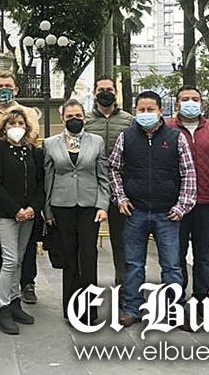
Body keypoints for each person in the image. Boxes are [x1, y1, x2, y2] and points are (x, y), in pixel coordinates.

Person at [108, 90, 196, 327]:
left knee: (172, 267)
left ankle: (175, 311)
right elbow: (113, 168)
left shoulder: (176, 137)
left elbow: (188, 172)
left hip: (167, 213)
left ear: (161, 111)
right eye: (141, 110)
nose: (145, 113)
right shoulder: (126, 137)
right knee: (134, 265)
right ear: (135, 112)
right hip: (135, 211)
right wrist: (120, 198)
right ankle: (132, 309)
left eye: (150, 109)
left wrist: (182, 206)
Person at [0, 71, 40, 305]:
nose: (4, 89)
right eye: (0, 85)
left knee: (23, 251)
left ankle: (25, 285)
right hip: (1, 198)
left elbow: (32, 137)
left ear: (16, 89)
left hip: (26, 200)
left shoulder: (28, 112)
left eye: (8, 86)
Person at [44, 100, 110, 324]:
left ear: (85, 117)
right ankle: (71, 309)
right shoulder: (50, 143)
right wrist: (48, 211)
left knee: (89, 256)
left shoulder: (96, 142)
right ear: (63, 118)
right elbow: (48, 178)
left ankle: (90, 310)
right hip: (62, 206)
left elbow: (103, 176)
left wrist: (103, 205)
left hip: (90, 206)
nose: (74, 119)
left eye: (78, 115)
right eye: (70, 116)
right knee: (69, 258)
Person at [0, 109, 45, 335]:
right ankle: (3, 307)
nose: (16, 127)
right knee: (9, 260)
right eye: (11, 124)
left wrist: (32, 208)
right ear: (4, 128)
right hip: (7, 213)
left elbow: (40, 184)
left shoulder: (33, 151)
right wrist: (15, 210)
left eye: (20, 123)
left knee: (19, 259)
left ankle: (15, 301)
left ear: (27, 127)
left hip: (28, 214)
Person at [166, 86, 209, 318]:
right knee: (176, 256)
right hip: (176, 205)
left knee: (203, 257)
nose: (191, 103)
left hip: (206, 202)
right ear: (177, 104)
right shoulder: (167, 129)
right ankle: (177, 302)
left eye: (195, 99)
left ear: (202, 103)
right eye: (185, 99)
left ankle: (201, 300)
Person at [82, 75, 133, 288]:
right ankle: (88, 290)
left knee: (122, 244)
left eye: (109, 89)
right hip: (91, 189)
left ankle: (124, 289)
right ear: (94, 94)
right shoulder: (85, 121)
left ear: (116, 93)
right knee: (87, 245)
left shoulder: (128, 120)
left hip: (121, 188)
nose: (105, 93)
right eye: (101, 90)